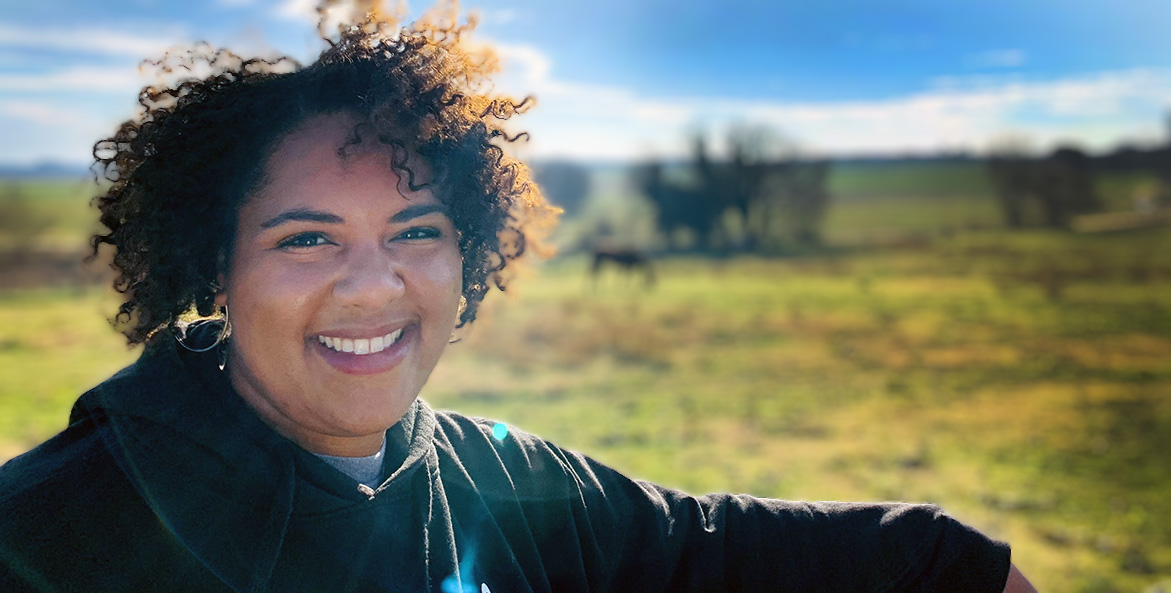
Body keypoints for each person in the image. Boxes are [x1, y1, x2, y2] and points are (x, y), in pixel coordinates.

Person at [0, 6, 1037, 593]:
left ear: (471, 253)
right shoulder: (51, 529)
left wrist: (960, 566)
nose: (373, 285)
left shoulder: (502, 483)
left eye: (417, 232)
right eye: (306, 237)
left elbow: (709, 546)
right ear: (213, 266)